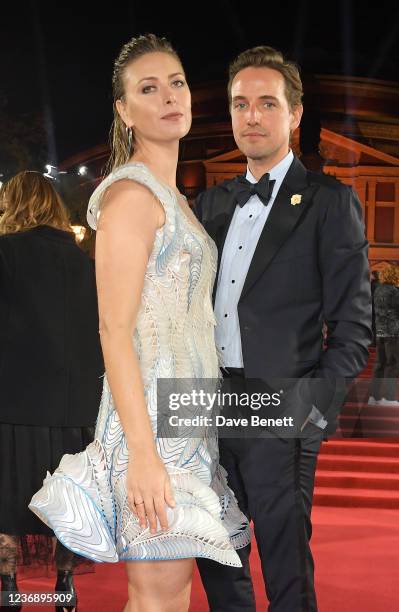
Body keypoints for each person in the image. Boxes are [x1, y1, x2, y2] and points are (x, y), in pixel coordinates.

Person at [30, 34, 250, 612]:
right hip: (152, 427)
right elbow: (114, 330)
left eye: (176, 83)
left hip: (185, 420)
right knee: (160, 598)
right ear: (125, 112)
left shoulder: (173, 198)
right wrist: (144, 453)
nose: (170, 97)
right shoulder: (131, 195)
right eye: (148, 89)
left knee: (167, 597)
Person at [195, 46, 372, 611]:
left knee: (286, 568)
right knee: (218, 559)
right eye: (240, 104)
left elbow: (354, 324)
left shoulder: (329, 202)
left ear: (294, 115)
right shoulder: (210, 204)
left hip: (281, 406)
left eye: (266, 104)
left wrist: (312, 405)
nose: (251, 116)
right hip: (208, 403)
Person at [0, 171, 103, 611]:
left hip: (12, 404)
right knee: (68, 506)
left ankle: (9, 590)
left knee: (5, 507)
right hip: (75, 410)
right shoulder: (88, 264)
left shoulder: (5, 253)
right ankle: (64, 587)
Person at [368, 264, 399, 407]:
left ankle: (374, 397)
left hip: (380, 332)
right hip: (393, 333)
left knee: (380, 364)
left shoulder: (379, 290)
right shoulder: (394, 291)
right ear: (397, 276)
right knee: (394, 364)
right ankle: (388, 398)